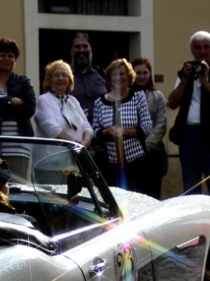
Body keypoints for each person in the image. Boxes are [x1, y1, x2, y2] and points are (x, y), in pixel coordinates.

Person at [167, 31, 210, 201]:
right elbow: (172, 102)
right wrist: (185, 78)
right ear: (192, 50)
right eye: (197, 48)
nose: (202, 51)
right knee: (190, 191)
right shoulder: (185, 72)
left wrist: (206, 82)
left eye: (206, 47)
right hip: (189, 138)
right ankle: (194, 226)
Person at [90, 58, 153, 192]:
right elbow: (94, 131)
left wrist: (124, 131)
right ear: (109, 78)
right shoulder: (99, 103)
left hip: (136, 161)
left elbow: (147, 126)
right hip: (110, 165)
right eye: (115, 74)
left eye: (122, 74)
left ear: (129, 76)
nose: (119, 77)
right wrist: (107, 132)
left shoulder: (138, 96)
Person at [0, 38, 37, 180]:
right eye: (2, 55)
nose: (6, 59)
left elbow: (29, 109)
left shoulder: (24, 82)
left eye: (11, 56)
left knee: (18, 191)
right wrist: (10, 101)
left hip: (19, 149)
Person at [34, 60, 94, 148]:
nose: (61, 78)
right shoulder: (44, 100)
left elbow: (87, 127)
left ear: (69, 80)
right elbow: (52, 129)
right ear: (49, 80)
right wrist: (76, 144)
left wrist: (85, 142)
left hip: (75, 157)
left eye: (64, 75)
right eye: (56, 75)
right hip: (51, 158)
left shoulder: (73, 101)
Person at [132, 57, 167, 199]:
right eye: (137, 73)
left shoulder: (158, 96)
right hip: (132, 155)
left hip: (153, 155)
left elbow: (161, 124)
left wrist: (144, 147)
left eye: (145, 72)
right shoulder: (125, 96)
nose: (141, 76)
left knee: (152, 197)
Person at [68, 32, 109, 122]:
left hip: (101, 132)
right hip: (74, 132)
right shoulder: (64, 77)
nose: (82, 50)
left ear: (90, 49)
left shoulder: (103, 75)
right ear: (71, 50)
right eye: (77, 47)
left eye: (85, 46)